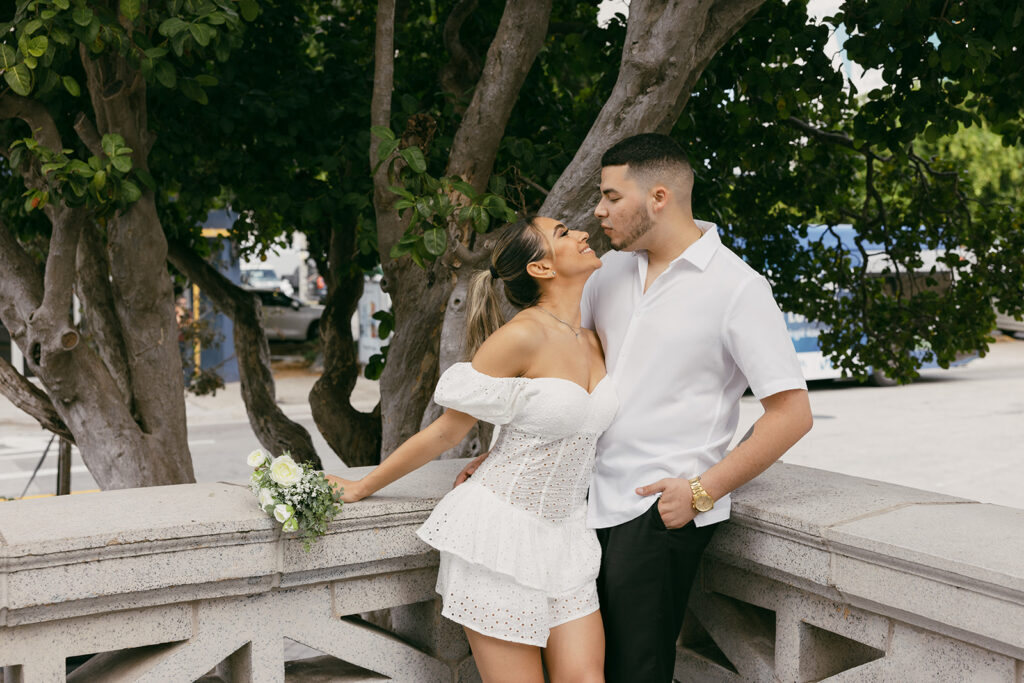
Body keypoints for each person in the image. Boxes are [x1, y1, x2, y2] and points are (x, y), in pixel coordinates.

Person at [458, 133, 813, 682]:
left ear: (659, 197)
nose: (598, 212)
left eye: (611, 197)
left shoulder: (738, 288)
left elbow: (792, 413)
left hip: (654, 514)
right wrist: (507, 456)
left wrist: (703, 490)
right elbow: (557, 375)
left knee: (634, 675)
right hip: (574, 508)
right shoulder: (610, 271)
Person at [328, 216, 614, 683]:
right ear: (540, 269)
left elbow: (554, 420)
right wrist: (362, 487)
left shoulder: (595, 337)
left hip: (568, 535)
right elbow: (446, 433)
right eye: (563, 233)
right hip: (499, 533)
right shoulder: (520, 336)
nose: (582, 234)